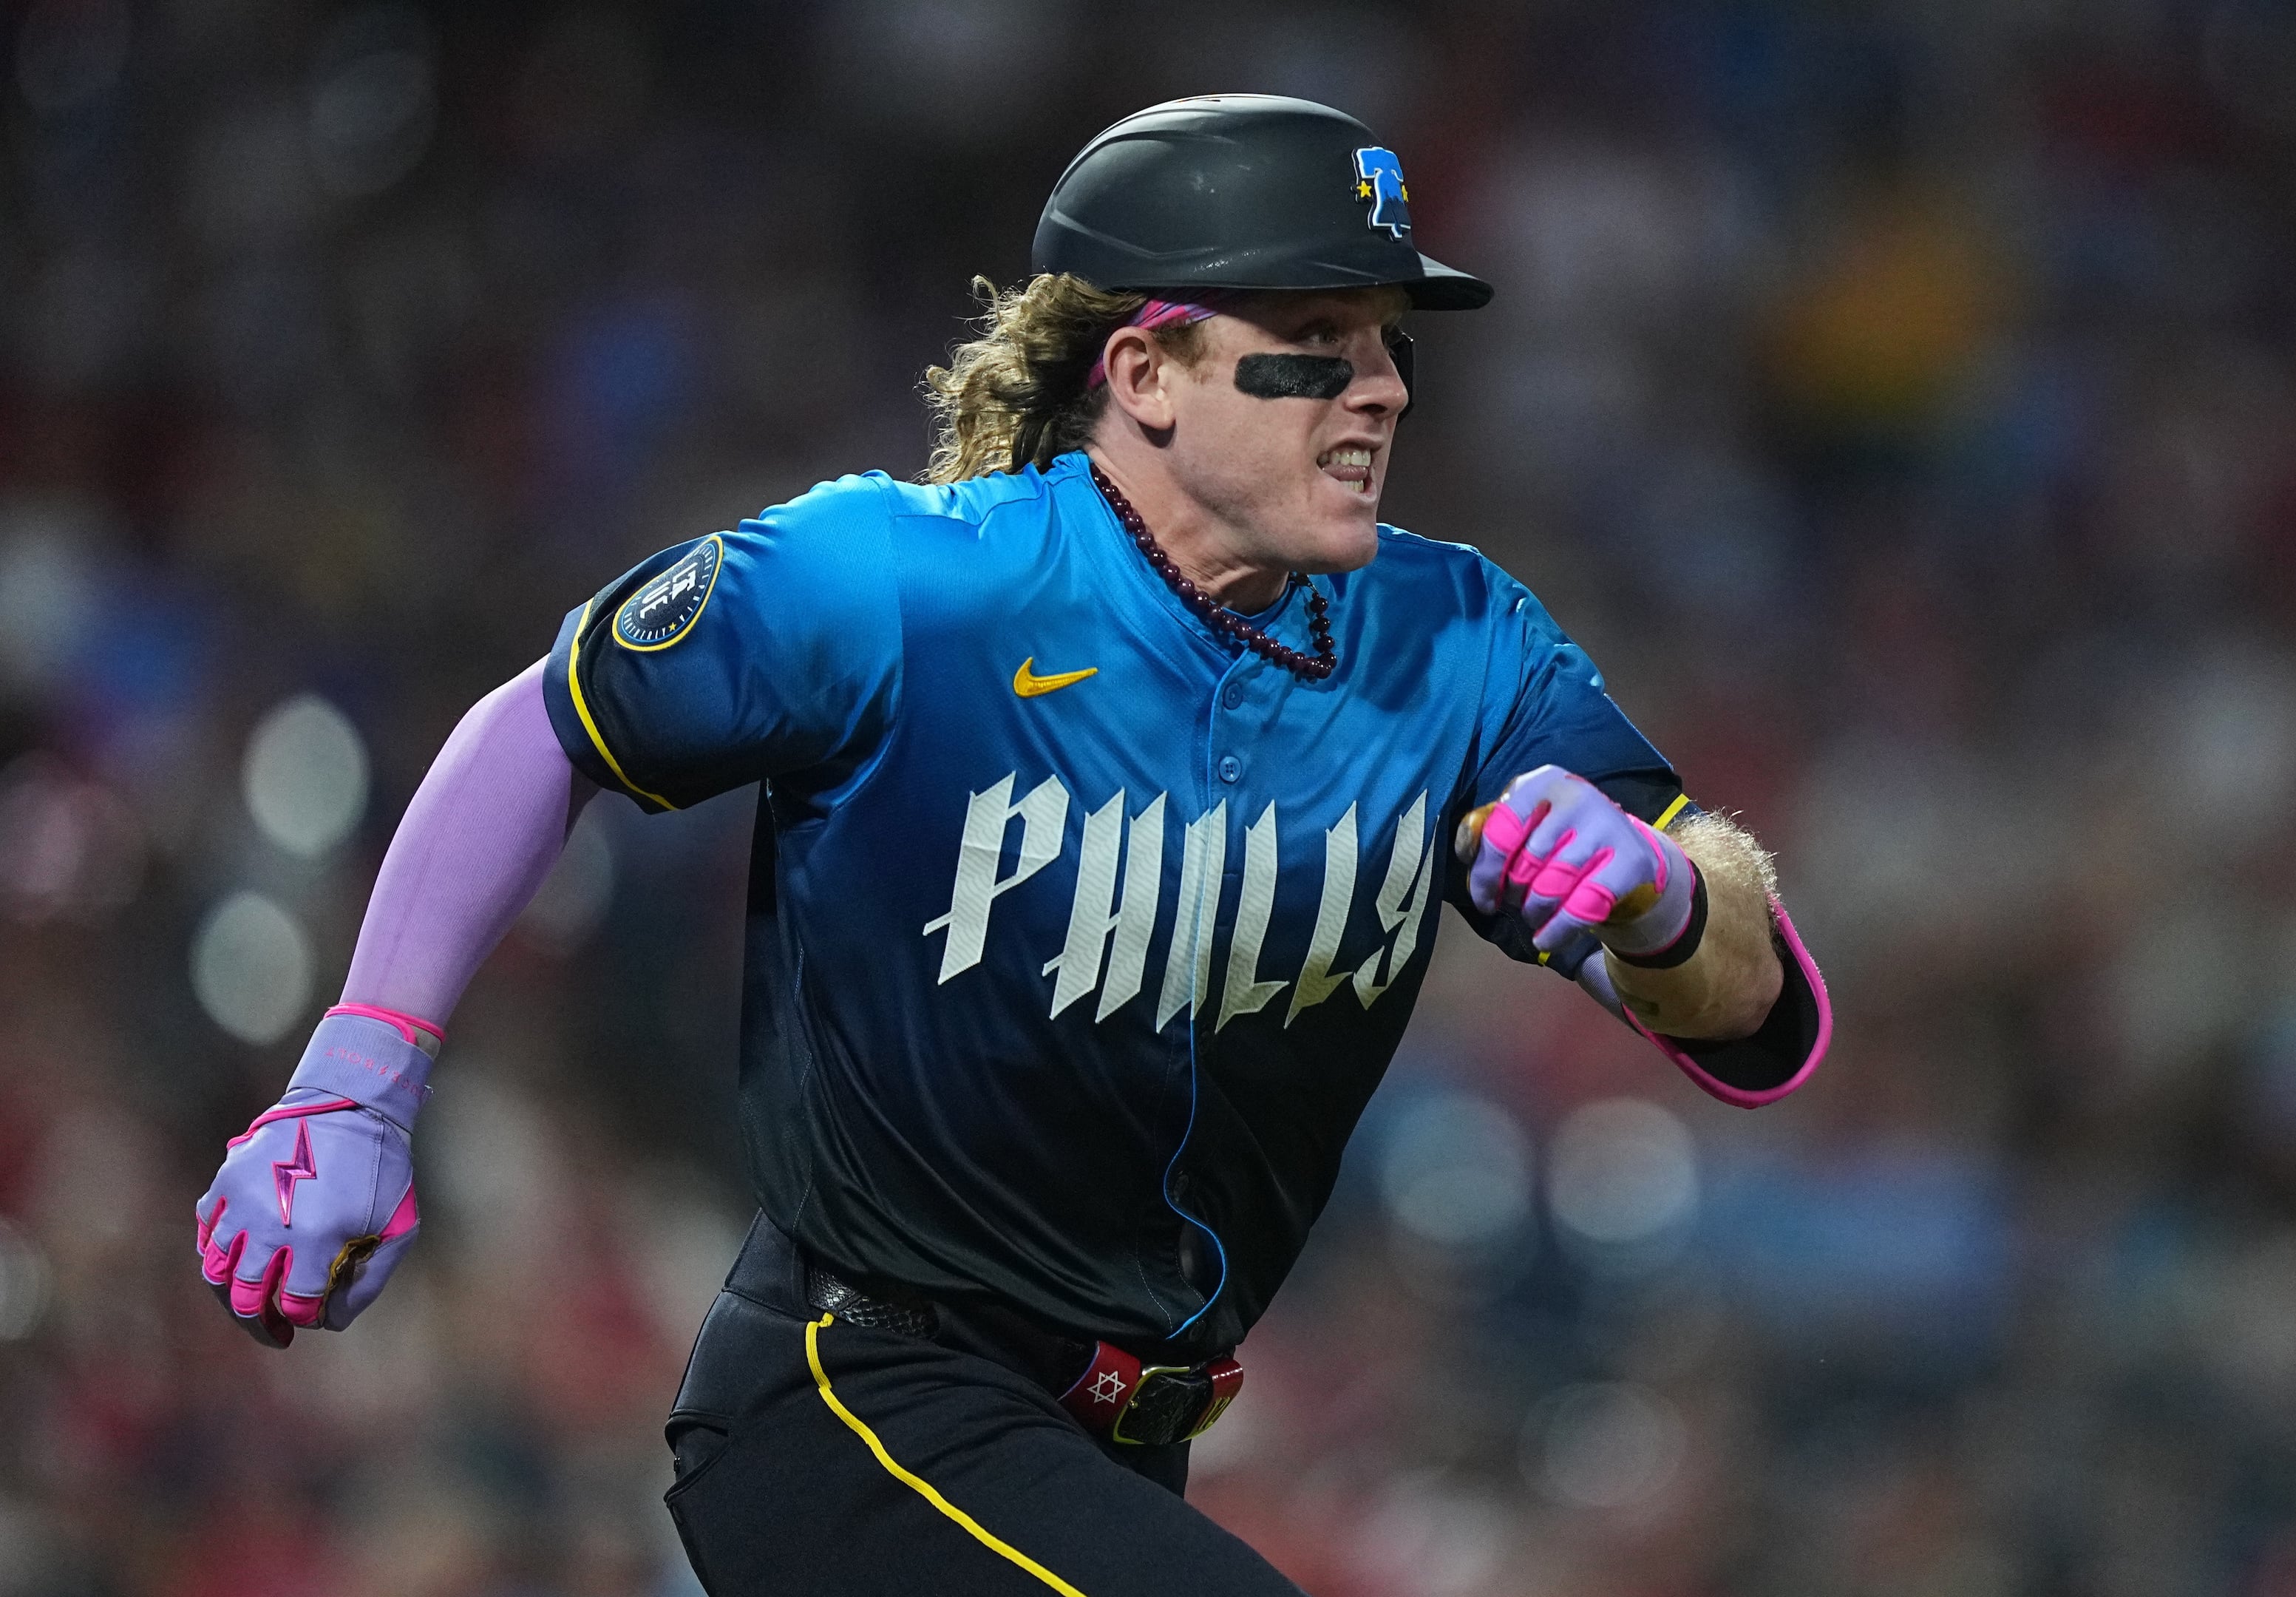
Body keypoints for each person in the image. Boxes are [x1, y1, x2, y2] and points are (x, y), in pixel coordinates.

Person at [191, 95, 1830, 1594]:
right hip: (853, 1401)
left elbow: (1765, 1021)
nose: (1383, 386)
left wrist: (1668, 897)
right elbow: (553, 721)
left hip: (1117, 1444)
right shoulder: (905, 586)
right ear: (1146, 372)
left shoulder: (1461, 644)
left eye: (1389, 342)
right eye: (1316, 339)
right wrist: (361, 1072)